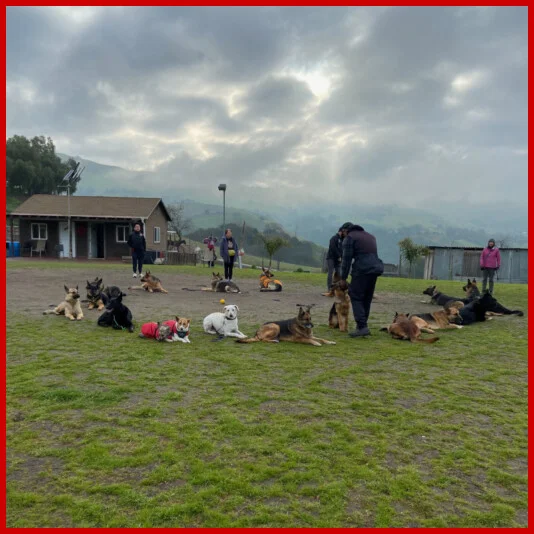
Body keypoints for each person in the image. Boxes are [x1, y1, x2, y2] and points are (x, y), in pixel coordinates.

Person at [340, 222, 384, 337]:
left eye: (342, 233)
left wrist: (343, 278)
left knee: (355, 296)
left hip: (362, 270)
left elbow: (346, 260)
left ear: (345, 231)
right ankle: (362, 326)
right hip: (375, 269)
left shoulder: (350, 237)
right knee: (366, 298)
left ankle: (362, 327)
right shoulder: (370, 236)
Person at [324, 227, 344, 295]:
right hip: (331, 258)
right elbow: (333, 248)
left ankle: (340, 288)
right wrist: (339, 256)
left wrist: (341, 257)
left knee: (340, 273)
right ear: (340, 231)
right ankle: (329, 288)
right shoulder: (334, 238)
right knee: (330, 272)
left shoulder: (342, 240)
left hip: (338, 260)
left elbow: (342, 249)